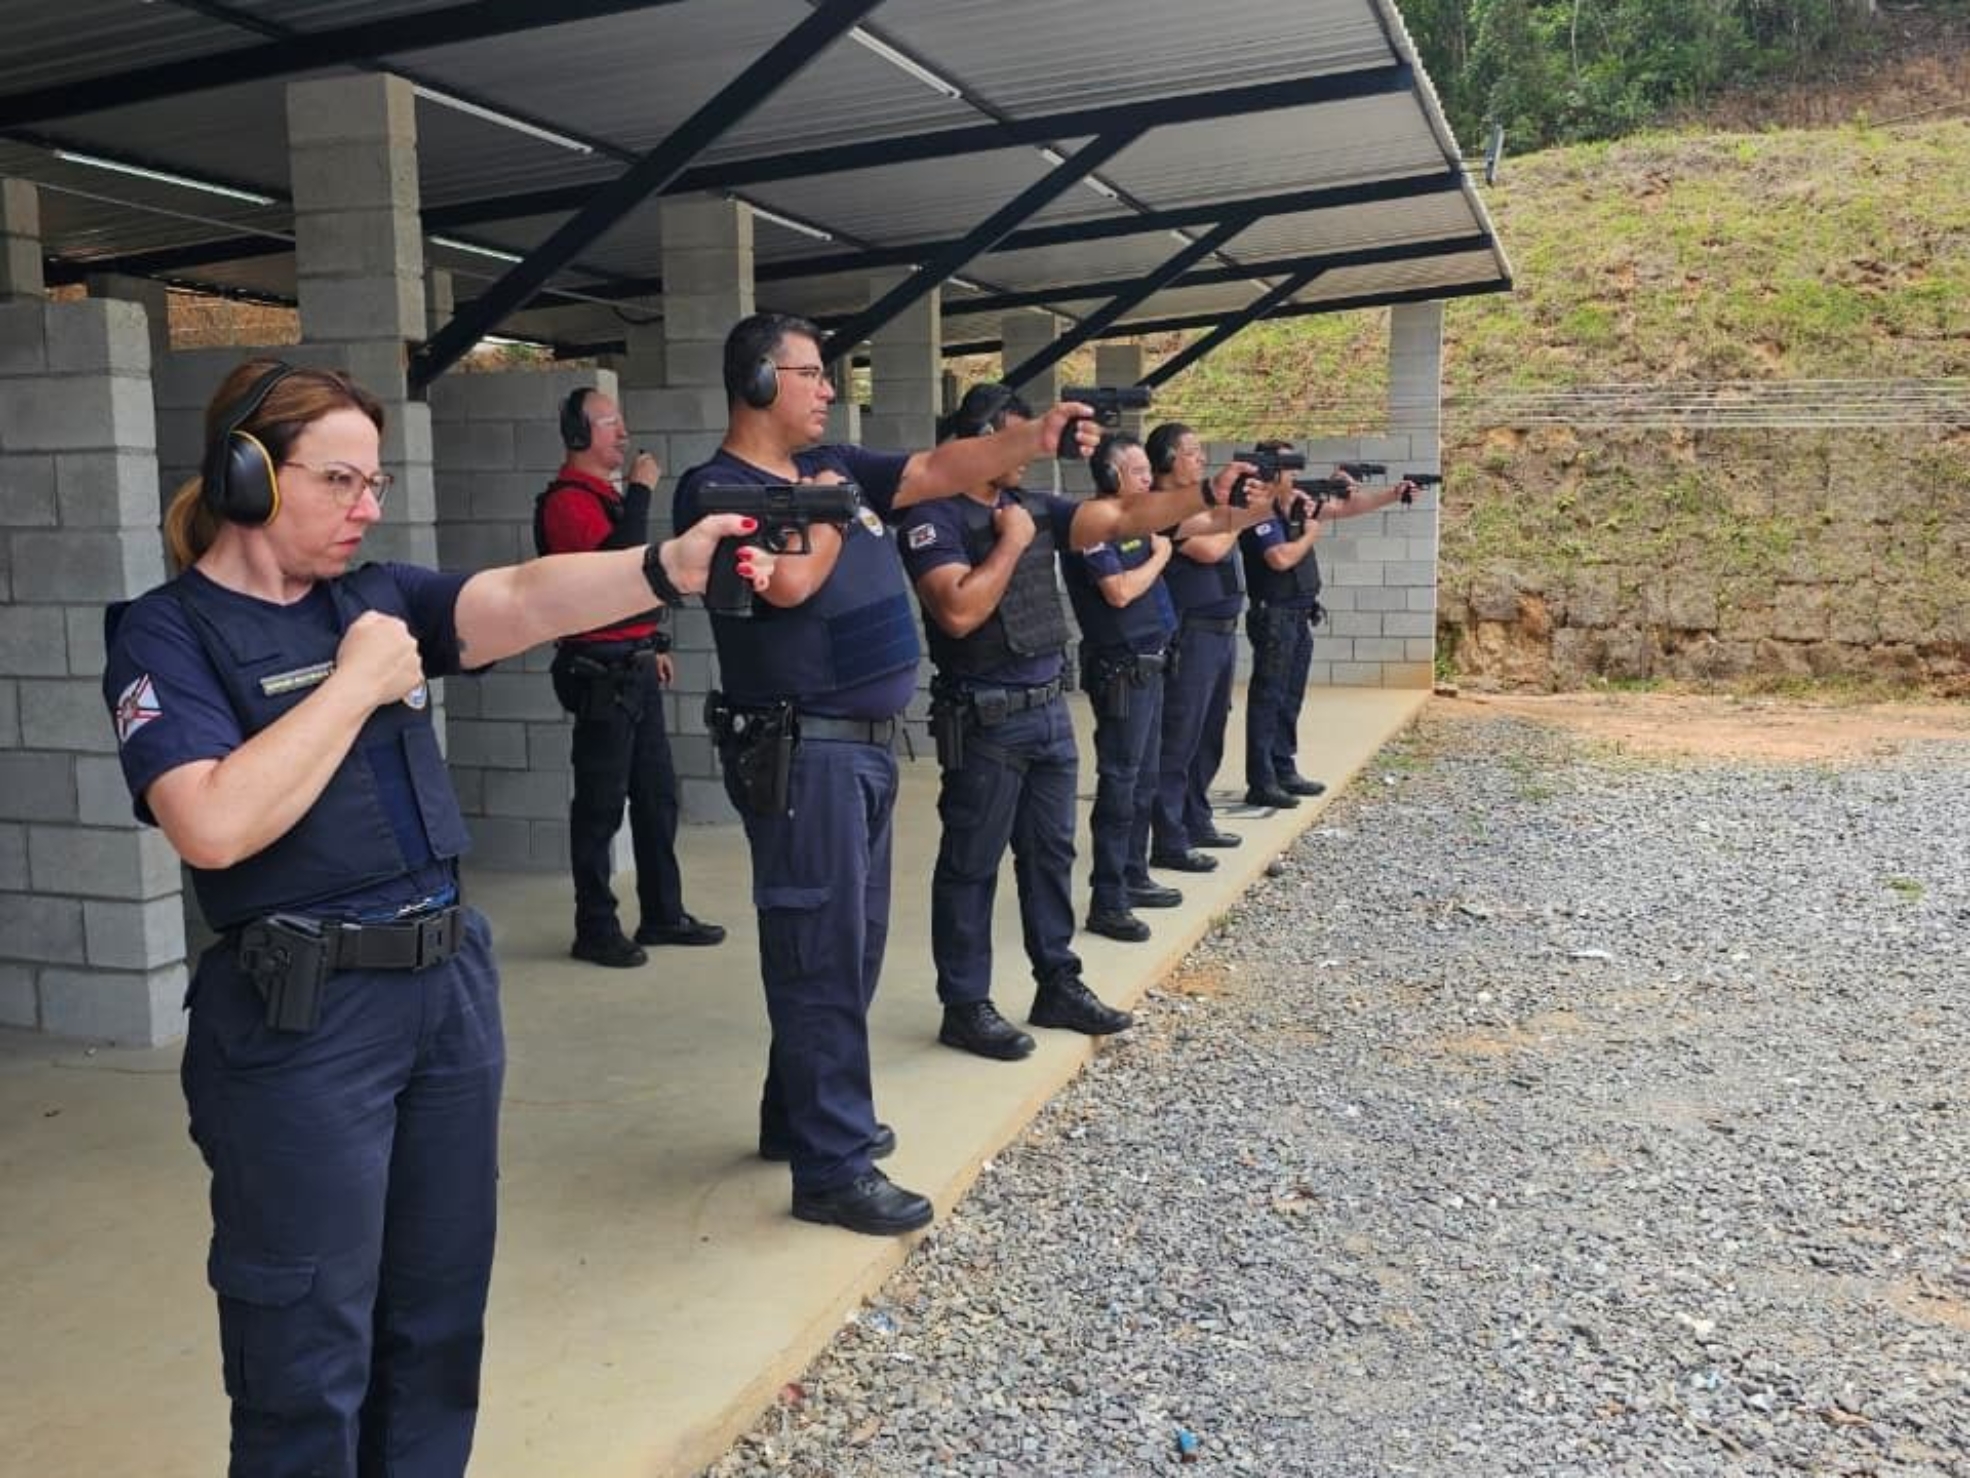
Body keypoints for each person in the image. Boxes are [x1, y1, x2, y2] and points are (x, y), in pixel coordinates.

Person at [101, 359, 771, 1478]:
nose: (370, 506)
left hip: (445, 989)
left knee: (436, 1317)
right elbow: (209, 823)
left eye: (377, 480)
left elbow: (517, 596)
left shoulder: (375, 595)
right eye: (342, 480)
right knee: (304, 1350)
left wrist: (666, 564)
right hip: (301, 1020)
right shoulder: (167, 636)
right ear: (247, 474)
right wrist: (353, 684)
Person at [673, 314, 1100, 1237]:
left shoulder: (836, 469)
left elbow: (936, 471)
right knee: (821, 949)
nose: (829, 389)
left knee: (851, 946)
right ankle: (833, 1167)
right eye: (811, 374)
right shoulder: (717, 487)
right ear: (757, 382)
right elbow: (785, 587)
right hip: (803, 745)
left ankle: (801, 1117)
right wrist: (827, 515)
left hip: (858, 744)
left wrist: (1034, 435)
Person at [899, 386, 1255, 1061]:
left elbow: (1121, 516)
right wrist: (1008, 545)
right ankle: (966, 1004)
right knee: (972, 866)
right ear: (978, 441)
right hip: (984, 720)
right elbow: (957, 613)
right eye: (1014, 439)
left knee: (1051, 856)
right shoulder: (933, 519)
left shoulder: (1031, 506)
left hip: (1045, 712)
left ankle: (1056, 981)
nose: (1029, 453)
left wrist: (1207, 491)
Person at [536, 386, 724, 967]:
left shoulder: (603, 496)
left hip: (633, 665)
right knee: (599, 806)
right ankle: (594, 926)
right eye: (610, 424)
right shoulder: (568, 502)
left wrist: (652, 642)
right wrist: (642, 491)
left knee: (656, 797)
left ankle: (663, 913)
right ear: (578, 436)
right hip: (600, 673)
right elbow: (616, 572)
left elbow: (639, 589)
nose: (622, 434)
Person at [1061, 433, 1184, 943]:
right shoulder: (1092, 526)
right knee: (1120, 784)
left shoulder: (1135, 525)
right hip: (1121, 670)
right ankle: (1108, 901)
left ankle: (1133, 873)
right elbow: (1118, 591)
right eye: (1136, 472)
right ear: (1110, 476)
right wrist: (1160, 556)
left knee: (1144, 778)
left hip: (1150, 665)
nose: (1147, 480)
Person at [1241, 459, 1419, 806]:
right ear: (1270, 475)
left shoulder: (1293, 504)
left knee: (1290, 698)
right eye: (1287, 467)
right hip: (1275, 614)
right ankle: (1261, 780)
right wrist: (1310, 532)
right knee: (1269, 699)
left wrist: (1393, 494)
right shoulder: (1258, 514)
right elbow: (1279, 559)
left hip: (1297, 614)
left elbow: (1344, 507)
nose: (1294, 475)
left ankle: (1283, 767)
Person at [1145, 421, 1273, 870]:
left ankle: (1195, 818)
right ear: (1167, 460)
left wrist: (1246, 509)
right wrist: (1241, 517)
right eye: (1192, 452)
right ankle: (1169, 837)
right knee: (1179, 738)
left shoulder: (1196, 505)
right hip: (1190, 631)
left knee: (1209, 732)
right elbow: (1209, 549)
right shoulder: (1161, 508)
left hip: (1218, 629)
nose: (1201, 459)